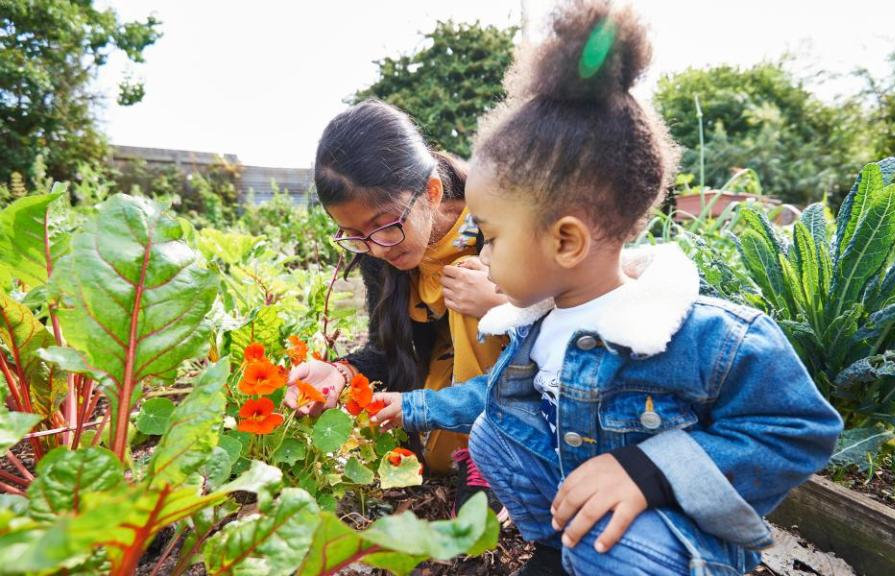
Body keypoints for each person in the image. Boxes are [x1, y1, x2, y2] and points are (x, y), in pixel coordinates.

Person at [369, 1, 844, 574]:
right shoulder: (539, 323)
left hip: (666, 539)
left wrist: (650, 471)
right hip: (593, 513)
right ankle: (560, 547)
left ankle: (597, 553)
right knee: (496, 430)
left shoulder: (706, 338)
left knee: (611, 544)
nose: (482, 253)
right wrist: (410, 407)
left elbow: (803, 430)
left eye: (491, 237)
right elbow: (489, 395)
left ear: (566, 242)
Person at [288, 99, 508, 509]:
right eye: (353, 234)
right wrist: (340, 371)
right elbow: (387, 349)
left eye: (383, 225)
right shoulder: (382, 251)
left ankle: (492, 453)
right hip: (452, 383)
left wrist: (504, 303)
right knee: (435, 452)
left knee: (466, 277)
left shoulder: (500, 217)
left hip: (522, 383)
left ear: (432, 191)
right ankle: (467, 448)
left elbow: (571, 310)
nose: (374, 247)